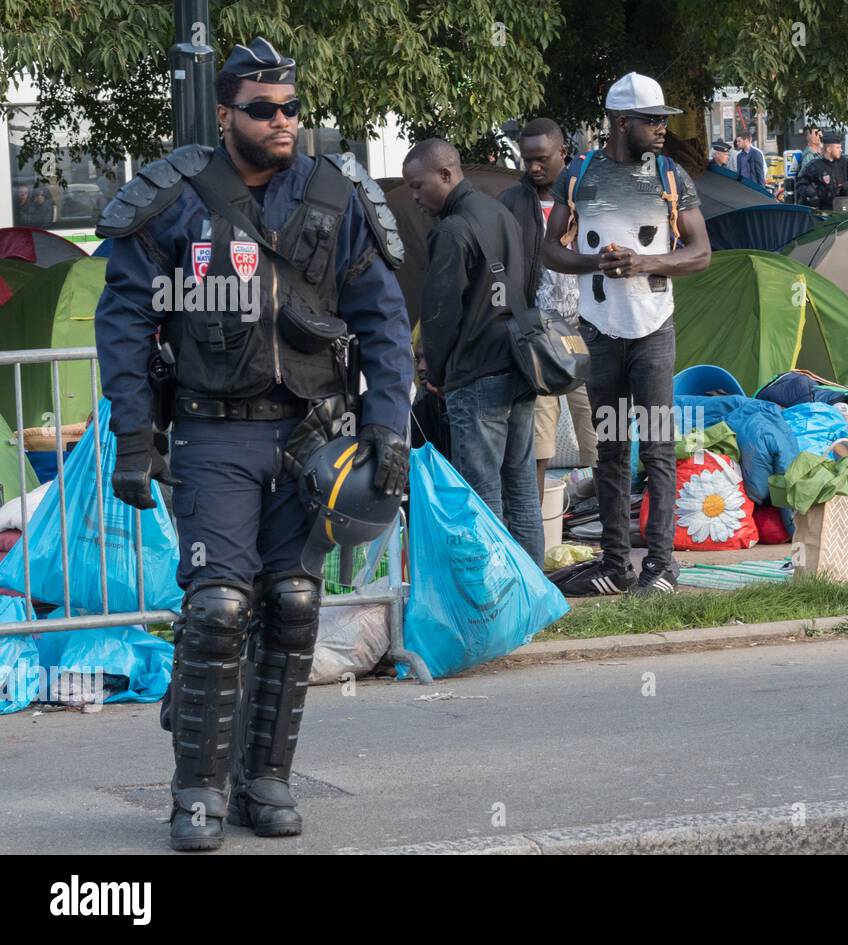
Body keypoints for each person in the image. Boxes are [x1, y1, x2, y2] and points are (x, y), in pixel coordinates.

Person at [93, 37, 412, 851]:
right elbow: (125, 319)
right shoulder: (175, 198)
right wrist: (134, 437)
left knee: (293, 605)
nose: (283, 122)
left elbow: (382, 321)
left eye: (292, 109)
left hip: (310, 436)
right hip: (211, 432)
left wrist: (387, 429)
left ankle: (265, 779)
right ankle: (197, 790)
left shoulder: (336, 197)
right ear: (227, 112)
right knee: (216, 610)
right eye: (264, 109)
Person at [540, 72, 711, 596]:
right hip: (601, 330)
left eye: (663, 119)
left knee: (657, 448)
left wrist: (643, 262)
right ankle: (616, 565)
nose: (663, 128)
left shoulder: (670, 176)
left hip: (652, 331)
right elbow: (550, 249)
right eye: (652, 120)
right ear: (621, 122)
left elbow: (701, 253)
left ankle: (661, 565)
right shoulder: (579, 175)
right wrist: (595, 261)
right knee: (611, 449)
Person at [405, 136, 545, 565]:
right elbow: (527, 281)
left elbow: (441, 313)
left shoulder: (451, 229)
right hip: (519, 364)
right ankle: (531, 595)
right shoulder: (501, 213)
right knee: (521, 489)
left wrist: (437, 374)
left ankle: (494, 601)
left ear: (446, 175)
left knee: (481, 494)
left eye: (418, 185)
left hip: (477, 373)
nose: (414, 196)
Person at [498, 118, 598, 503]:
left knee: (601, 438)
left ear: (563, 154)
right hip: (536, 337)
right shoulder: (511, 203)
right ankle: (535, 531)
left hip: (588, 330)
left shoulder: (587, 198)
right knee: (536, 446)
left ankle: (610, 539)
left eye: (541, 159)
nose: (534, 167)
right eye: (527, 160)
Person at [795, 132, 848, 210]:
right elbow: (800, 184)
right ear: (829, 149)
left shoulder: (845, 161)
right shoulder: (814, 165)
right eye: (838, 147)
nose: (841, 150)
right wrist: (812, 193)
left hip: (845, 205)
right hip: (824, 208)